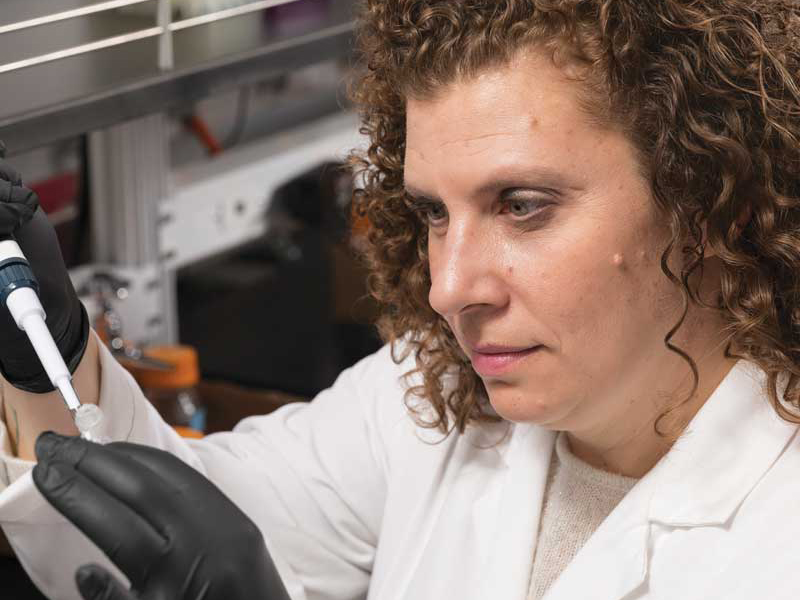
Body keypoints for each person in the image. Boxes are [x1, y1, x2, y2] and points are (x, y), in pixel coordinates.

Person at [2, 0, 800, 598]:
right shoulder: (433, 392)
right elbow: (182, 534)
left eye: (522, 205)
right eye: (435, 214)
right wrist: (49, 360)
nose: (450, 290)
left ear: (708, 198)